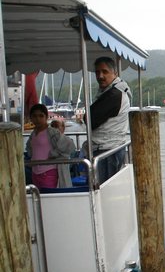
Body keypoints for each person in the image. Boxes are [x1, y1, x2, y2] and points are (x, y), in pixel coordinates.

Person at [84, 56, 131, 184]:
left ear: (115, 73)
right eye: (97, 72)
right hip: (111, 148)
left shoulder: (114, 94)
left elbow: (89, 119)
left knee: (103, 191)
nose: (100, 76)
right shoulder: (114, 91)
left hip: (107, 150)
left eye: (105, 72)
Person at [25, 104, 75, 189]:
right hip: (35, 172)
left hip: (49, 172)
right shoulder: (33, 134)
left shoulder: (52, 132)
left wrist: (53, 154)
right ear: (31, 118)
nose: (37, 119)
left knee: (49, 197)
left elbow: (70, 145)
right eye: (34, 116)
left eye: (41, 116)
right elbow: (31, 151)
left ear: (46, 117)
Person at [50, 118, 77, 187]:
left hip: (64, 163)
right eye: (53, 127)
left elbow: (71, 151)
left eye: (57, 126)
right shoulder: (49, 141)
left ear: (63, 128)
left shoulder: (67, 141)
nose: (55, 129)